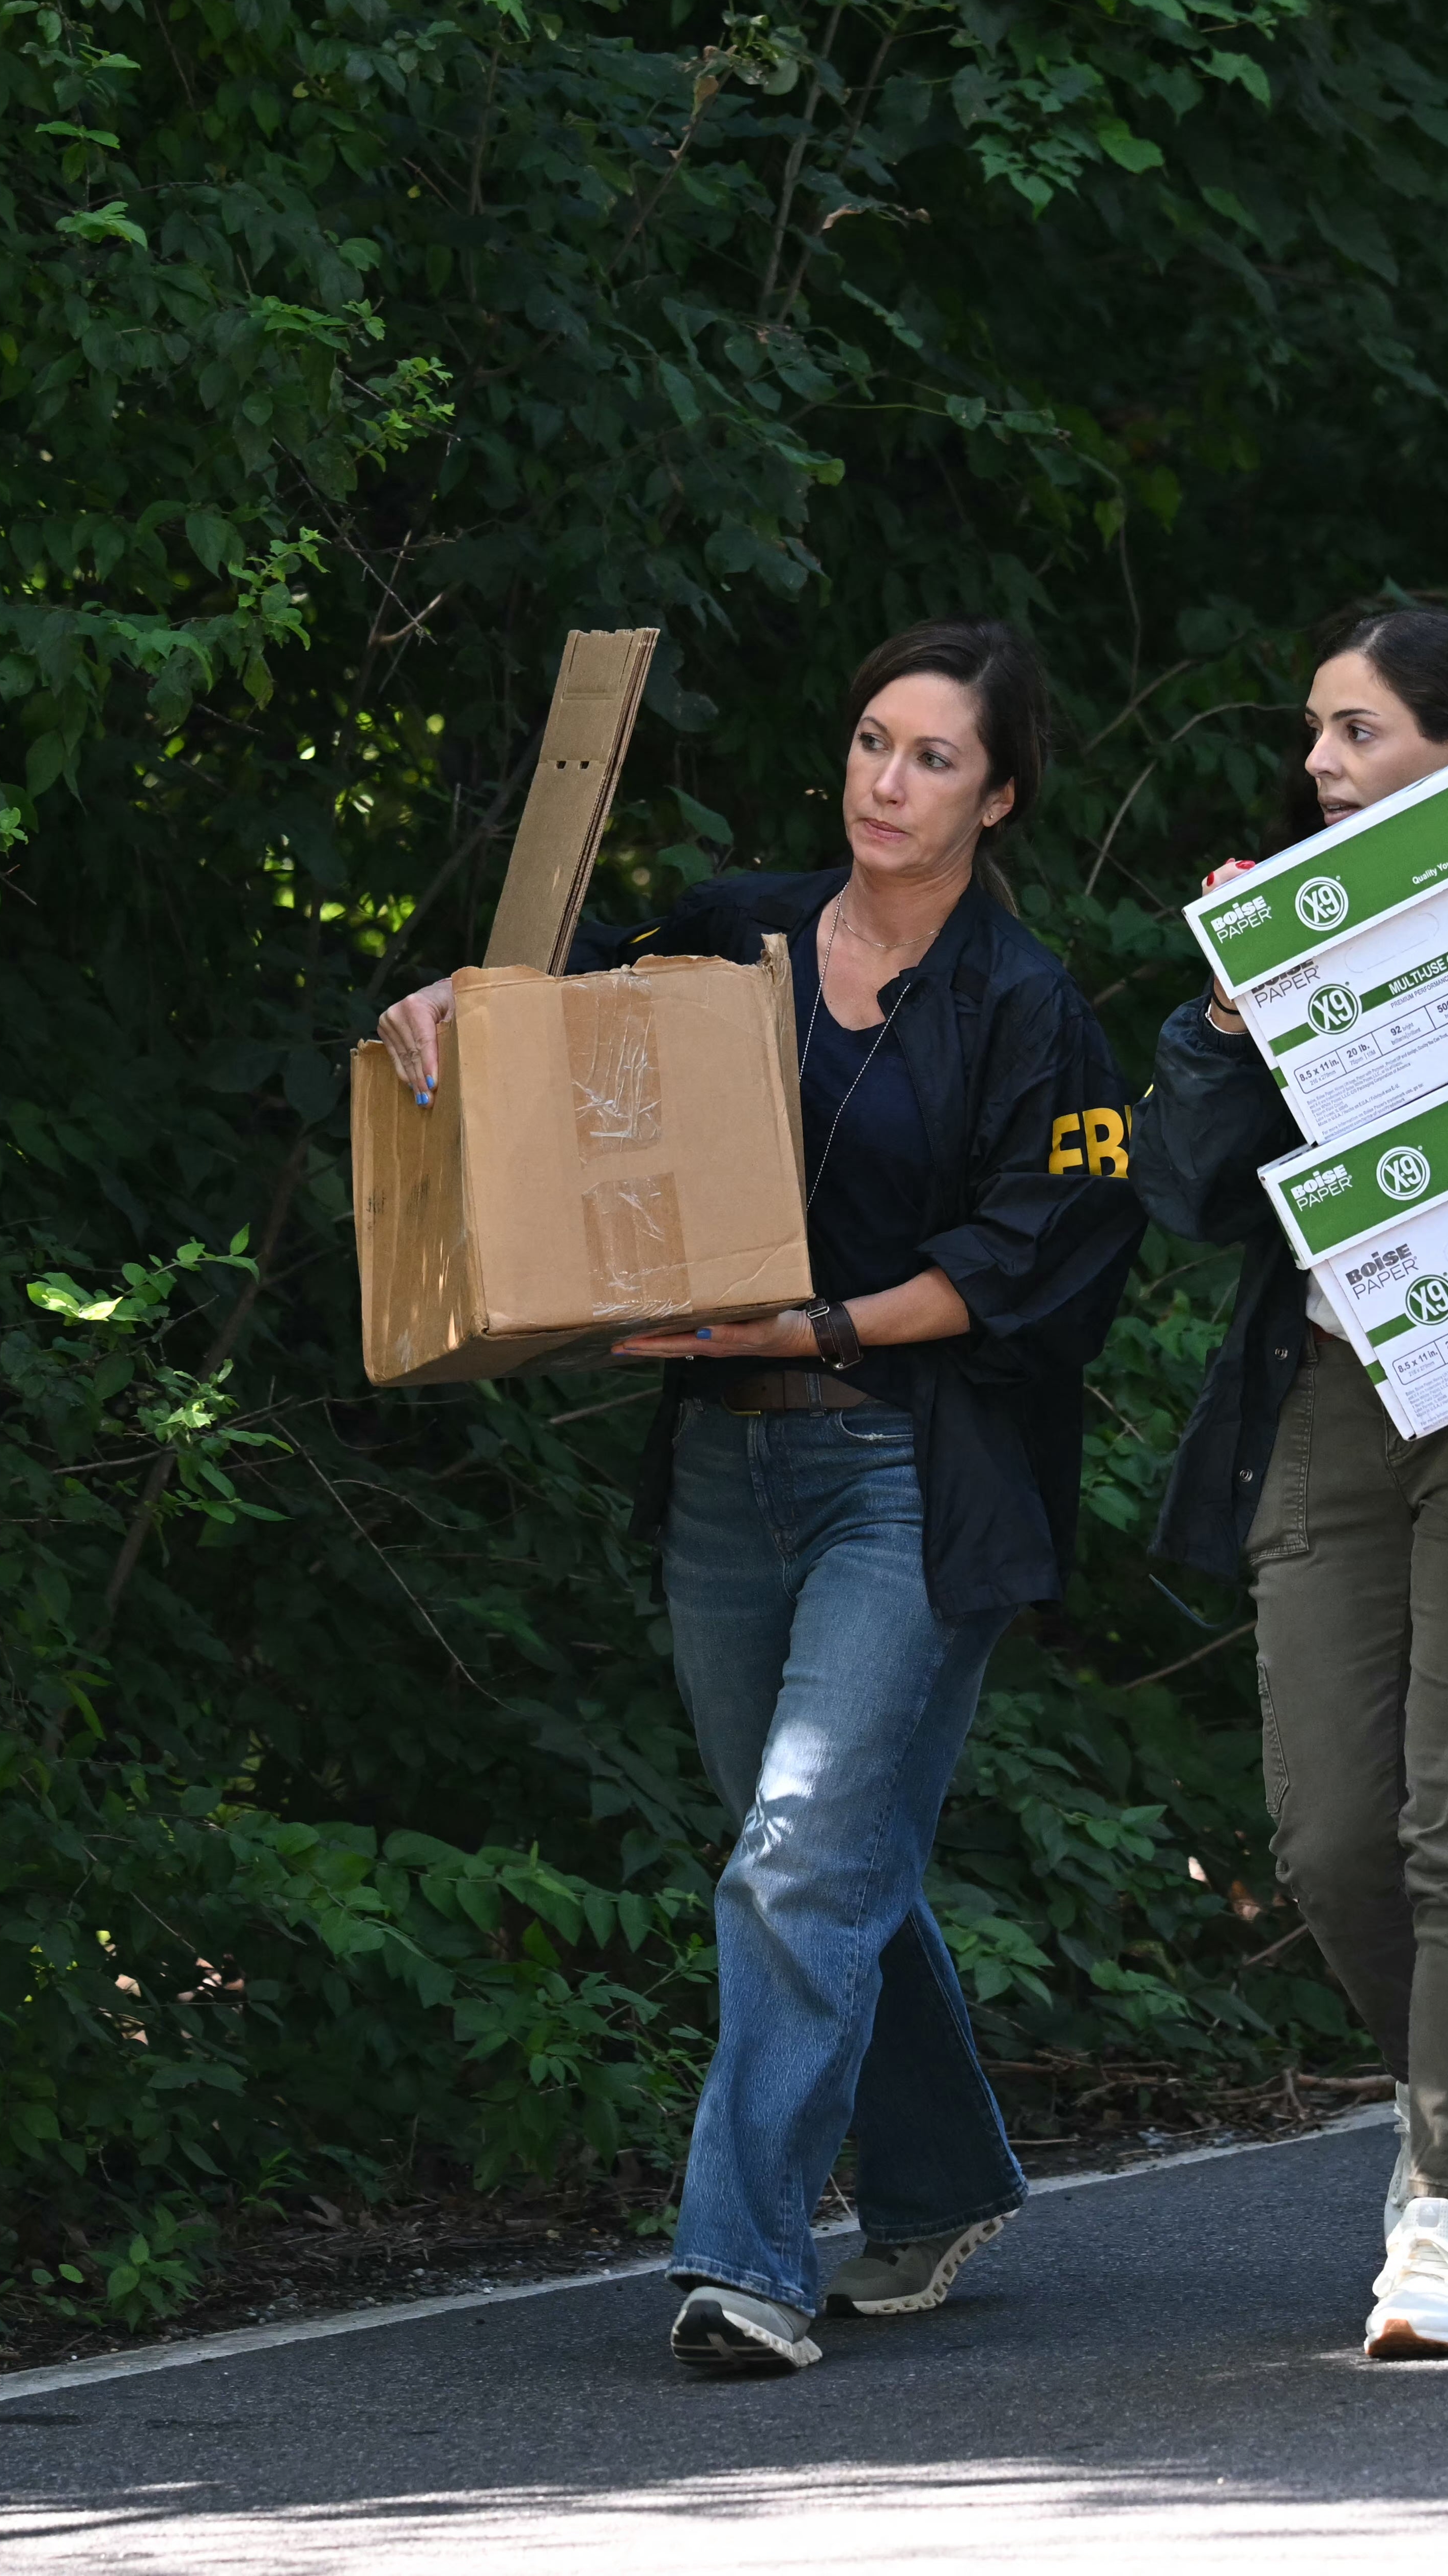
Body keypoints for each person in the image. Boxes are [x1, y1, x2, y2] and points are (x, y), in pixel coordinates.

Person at [378, 619, 1143, 2376]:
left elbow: (1042, 1256)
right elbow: (557, 1039)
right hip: (724, 1462)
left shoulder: (1027, 1010)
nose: (890, 781)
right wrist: (448, 1009)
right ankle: (944, 2177)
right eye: (875, 742)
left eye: (935, 758)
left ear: (998, 795)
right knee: (817, 1853)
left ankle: (745, 2263)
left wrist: (817, 1317)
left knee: (800, 1854)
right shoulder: (733, 930)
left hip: (907, 1466)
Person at [1132, 606, 1448, 2361]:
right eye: (1319, 735)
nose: (1321, 769)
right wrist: (1221, 1015)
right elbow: (1185, 1193)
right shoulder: (1289, 938)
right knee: (1333, 1838)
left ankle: (1447, 2209)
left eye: (1357, 734)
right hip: (1337, 1400)